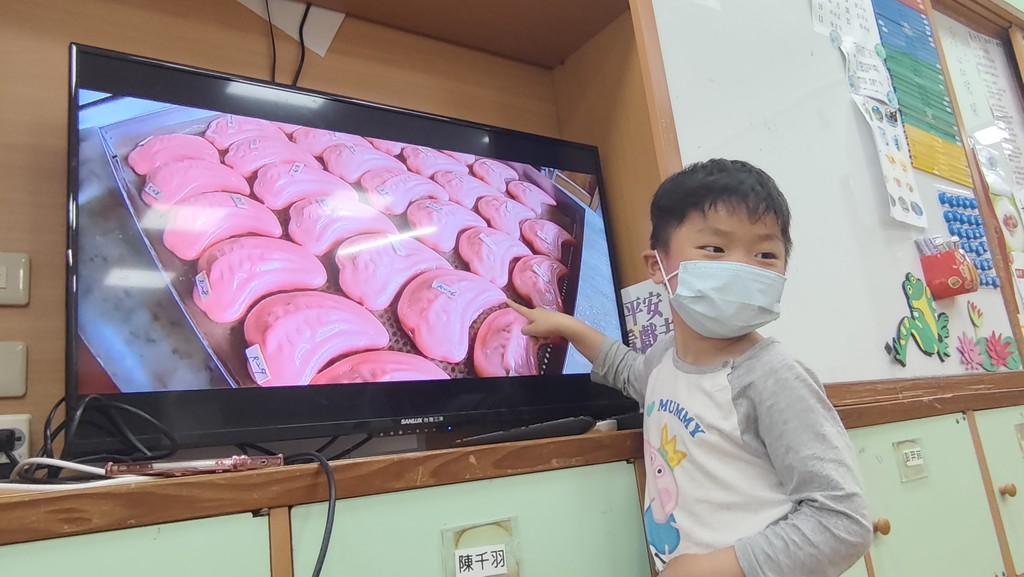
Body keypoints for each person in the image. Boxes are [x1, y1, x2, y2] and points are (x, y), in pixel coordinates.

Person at [508, 159, 872, 577]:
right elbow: (626, 369)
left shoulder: (773, 376)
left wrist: (706, 569)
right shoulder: (664, 360)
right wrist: (567, 326)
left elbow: (842, 523)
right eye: (715, 249)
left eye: (765, 254)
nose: (743, 268)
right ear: (656, 267)